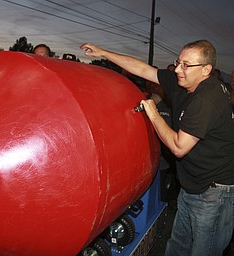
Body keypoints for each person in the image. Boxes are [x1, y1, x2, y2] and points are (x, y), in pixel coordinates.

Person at [80, 40, 234, 256]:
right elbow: (143, 69)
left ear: (206, 70)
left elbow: (179, 147)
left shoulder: (207, 99)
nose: (179, 69)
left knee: (204, 250)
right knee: (178, 245)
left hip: (214, 192)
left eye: (186, 65)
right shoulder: (184, 82)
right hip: (193, 185)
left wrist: (152, 112)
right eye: (178, 62)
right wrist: (103, 51)